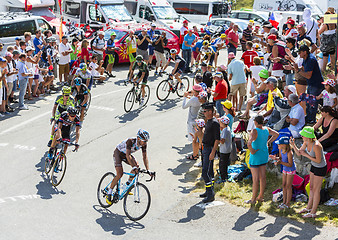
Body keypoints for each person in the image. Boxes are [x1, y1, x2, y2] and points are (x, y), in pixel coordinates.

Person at [106, 129, 151, 205]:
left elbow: (145, 157)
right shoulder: (131, 141)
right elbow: (128, 155)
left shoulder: (143, 144)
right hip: (118, 153)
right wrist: (133, 167)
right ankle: (109, 193)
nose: (145, 143)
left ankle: (127, 185)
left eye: (147, 141)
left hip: (126, 155)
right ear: (139, 138)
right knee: (120, 174)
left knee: (137, 166)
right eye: (144, 141)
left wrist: (148, 169)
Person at [290, 126, 327, 218]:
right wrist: (293, 145)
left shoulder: (317, 145)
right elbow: (299, 153)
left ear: (309, 136)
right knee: (311, 187)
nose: (301, 136)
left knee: (316, 190)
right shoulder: (306, 142)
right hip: (314, 166)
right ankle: (308, 208)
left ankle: (313, 212)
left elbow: (318, 160)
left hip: (320, 167)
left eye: (303, 135)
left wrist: (306, 155)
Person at [246, 115, 279, 204]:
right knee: (262, 177)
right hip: (264, 154)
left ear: (255, 122)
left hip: (256, 156)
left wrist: (252, 151)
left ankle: (253, 199)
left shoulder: (254, 131)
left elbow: (249, 143)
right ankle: (260, 196)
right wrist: (268, 142)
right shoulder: (266, 129)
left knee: (255, 179)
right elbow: (276, 134)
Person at [293, 45, 324, 123]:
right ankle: (309, 118)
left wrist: (297, 70)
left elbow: (308, 75)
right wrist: (293, 68)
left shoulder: (310, 59)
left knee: (312, 103)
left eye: (300, 52)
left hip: (316, 85)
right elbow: (303, 69)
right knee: (309, 101)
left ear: (305, 52)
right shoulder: (305, 59)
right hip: (311, 84)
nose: (299, 54)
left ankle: (311, 119)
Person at [200, 102, 220, 203]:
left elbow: (217, 139)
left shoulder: (215, 123)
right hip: (205, 148)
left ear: (211, 111)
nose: (205, 113)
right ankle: (208, 191)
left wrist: (213, 152)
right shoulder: (209, 121)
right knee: (209, 172)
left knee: (205, 172)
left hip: (210, 149)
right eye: (204, 111)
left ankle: (210, 194)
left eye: (207, 111)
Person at [269, 136, 296, 209]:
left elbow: (290, 164)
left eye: (279, 144)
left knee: (288, 186)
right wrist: (276, 159)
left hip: (290, 170)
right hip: (285, 169)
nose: (278, 145)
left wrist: (280, 162)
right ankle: (283, 202)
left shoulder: (289, 152)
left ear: (284, 145)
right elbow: (280, 159)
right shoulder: (281, 150)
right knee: (284, 185)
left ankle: (288, 203)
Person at [217, 115, 232, 183]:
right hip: (227, 149)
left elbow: (222, 141)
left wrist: (217, 138)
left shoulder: (225, 131)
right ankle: (225, 175)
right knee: (225, 163)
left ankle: (223, 178)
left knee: (222, 164)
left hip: (224, 150)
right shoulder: (227, 128)